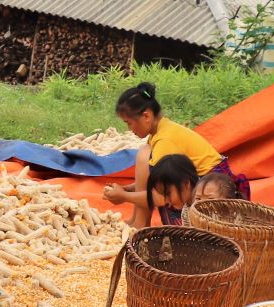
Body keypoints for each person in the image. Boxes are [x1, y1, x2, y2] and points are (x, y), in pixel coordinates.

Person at [101, 81, 248, 227]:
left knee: (147, 158)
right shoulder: (162, 130)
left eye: (129, 123)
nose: (129, 129)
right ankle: (138, 221)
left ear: (146, 116)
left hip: (212, 190)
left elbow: (160, 197)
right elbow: (153, 181)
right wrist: (128, 188)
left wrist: (124, 197)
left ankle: (141, 224)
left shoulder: (165, 140)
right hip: (199, 179)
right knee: (145, 153)